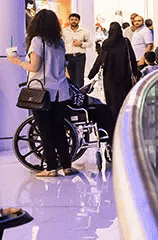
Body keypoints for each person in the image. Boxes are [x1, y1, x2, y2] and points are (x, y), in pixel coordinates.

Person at [9, 9, 75, 177]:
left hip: (42, 93)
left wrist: (17, 61)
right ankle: (66, 166)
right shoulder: (59, 42)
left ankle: (51, 167)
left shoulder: (37, 41)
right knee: (59, 129)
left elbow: (34, 67)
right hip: (61, 91)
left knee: (45, 130)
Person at [86, 22, 138, 131]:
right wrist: (137, 72)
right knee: (124, 100)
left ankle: (114, 124)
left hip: (110, 78)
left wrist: (91, 74)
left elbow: (99, 60)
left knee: (112, 101)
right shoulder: (125, 42)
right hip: (125, 77)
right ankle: (124, 122)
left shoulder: (107, 44)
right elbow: (132, 59)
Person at [62, 13, 90, 88]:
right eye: (72, 20)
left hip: (80, 56)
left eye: (75, 20)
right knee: (70, 77)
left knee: (79, 77)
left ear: (79, 21)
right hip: (68, 56)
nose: (73, 21)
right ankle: (72, 95)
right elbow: (61, 43)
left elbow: (90, 44)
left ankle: (80, 95)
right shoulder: (64, 31)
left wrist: (81, 44)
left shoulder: (84, 31)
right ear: (69, 20)